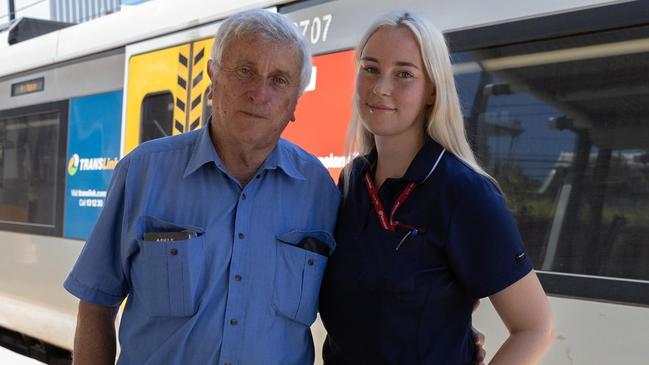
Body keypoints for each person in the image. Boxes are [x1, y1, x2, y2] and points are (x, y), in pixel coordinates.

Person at [63, 9, 340, 365]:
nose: (259, 92)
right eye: (245, 71)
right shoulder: (143, 173)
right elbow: (96, 306)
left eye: (280, 80)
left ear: (295, 103)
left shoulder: (319, 191)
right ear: (213, 77)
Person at [319, 11, 555, 365]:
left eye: (404, 74)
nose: (381, 87)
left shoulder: (463, 192)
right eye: (370, 68)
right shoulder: (352, 181)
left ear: (432, 90)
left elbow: (535, 328)